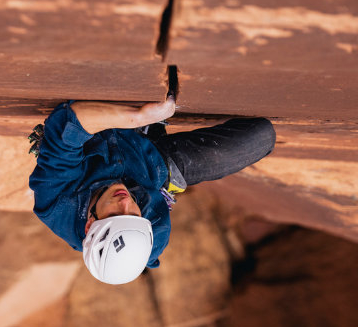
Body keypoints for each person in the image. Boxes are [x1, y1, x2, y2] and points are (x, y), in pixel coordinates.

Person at [27, 77, 275, 285]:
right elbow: (148, 250)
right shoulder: (150, 237)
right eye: (134, 215)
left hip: (102, 138)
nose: (124, 203)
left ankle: (145, 127)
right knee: (261, 137)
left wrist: (138, 117)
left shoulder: (57, 201)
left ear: (90, 224)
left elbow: (67, 124)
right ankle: (152, 134)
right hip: (150, 165)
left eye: (115, 214)